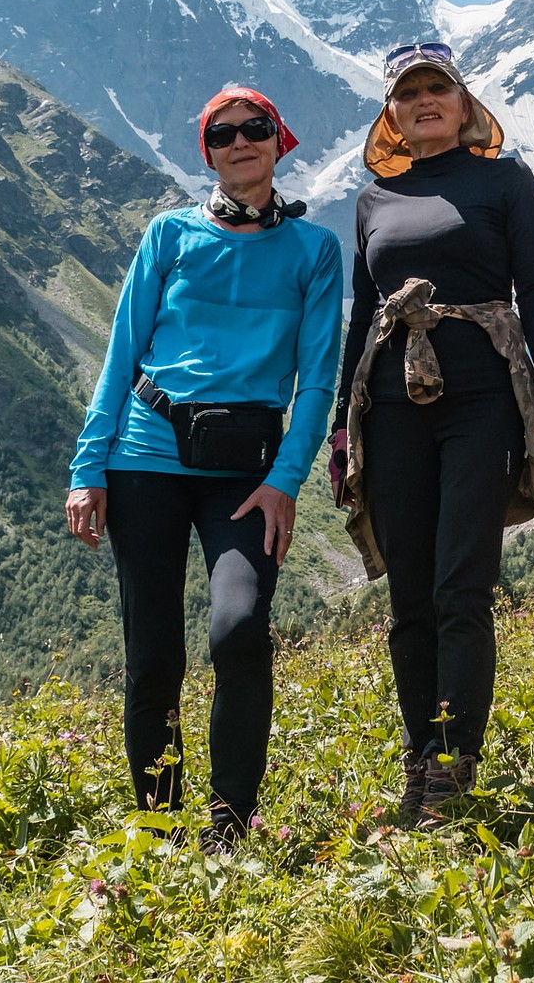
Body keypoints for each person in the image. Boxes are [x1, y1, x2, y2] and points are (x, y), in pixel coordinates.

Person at [329, 42, 534, 825]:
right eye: (408, 92)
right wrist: (340, 433)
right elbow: (364, 317)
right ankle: (419, 764)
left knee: (461, 587)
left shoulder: (504, 181)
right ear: (392, 113)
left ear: (463, 104)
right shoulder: (372, 199)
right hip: (389, 402)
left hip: (484, 397)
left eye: (437, 90)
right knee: (409, 597)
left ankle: (453, 768)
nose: (423, 101)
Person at [65, 87, 342, 852]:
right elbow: (121, 356)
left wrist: (286, 480)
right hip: (144, 461)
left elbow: (317, 380)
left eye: (255, 129)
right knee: (153, 650)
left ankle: (227, 832)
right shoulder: (168, 235)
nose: (240, 142)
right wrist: (89, 467)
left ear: (279, 141)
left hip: (246, 474)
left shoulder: (314, 252)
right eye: (222, 135)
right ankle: (158, 827)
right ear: (208, 153)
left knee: (240, 629)